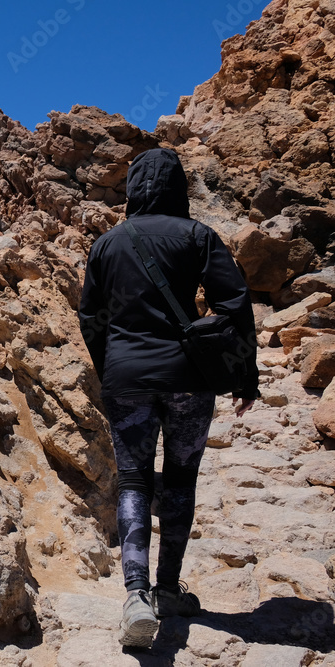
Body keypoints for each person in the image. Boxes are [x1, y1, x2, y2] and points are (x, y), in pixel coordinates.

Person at [78, 148, 259, 648]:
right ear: (179, 187)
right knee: (180, 480)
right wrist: (244, 375)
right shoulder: (198, 236)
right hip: (189, 380)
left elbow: (91, 318)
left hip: (126, 380)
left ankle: (135, 596)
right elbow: (235, 305)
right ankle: (167, 590)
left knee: (133, 480)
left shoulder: (107, 245)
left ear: (134, 188)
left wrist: (109, 367)